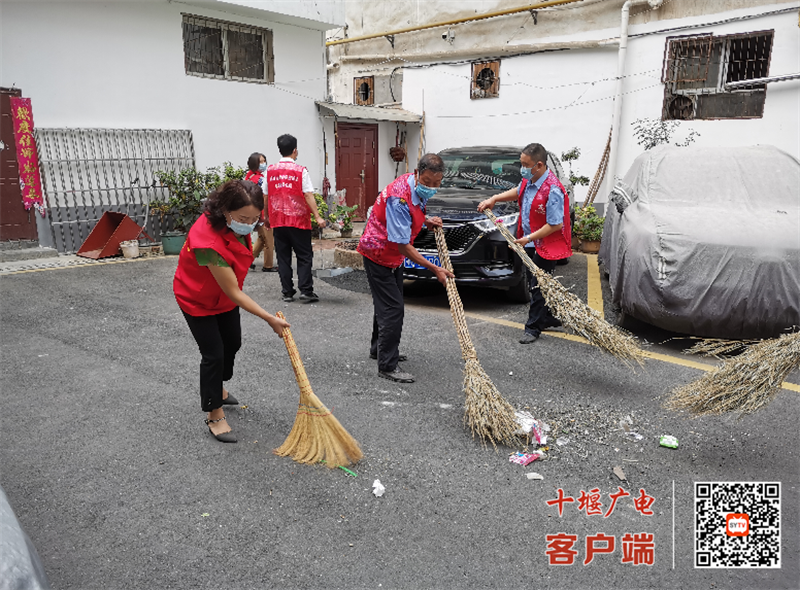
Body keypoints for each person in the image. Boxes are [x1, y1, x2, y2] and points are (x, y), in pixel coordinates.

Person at [173, 179, 290, 443]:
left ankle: (219, 387)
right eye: (243, 218)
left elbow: (230, 290)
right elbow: (233, 292)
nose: (249, 224)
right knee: (213, 354)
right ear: (225, 211)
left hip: (223, 298)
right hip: (196, 299)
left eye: (254, 218)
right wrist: (268, 318)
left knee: (233, 343)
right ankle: (214, 412)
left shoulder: (239, 225)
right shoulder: (206, 242)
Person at [358, 153, 455, 383]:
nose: (431, 187)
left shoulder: (414, 188)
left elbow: (414, 213)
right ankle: (387, 365)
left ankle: (378, 349)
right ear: (417, 174)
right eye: (427, 182)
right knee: (393, 308)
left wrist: (426, 219)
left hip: (392, 255)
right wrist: (435, 268)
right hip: (378, 253)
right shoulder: (398, 198)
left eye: (437, 184)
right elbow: (402, 245)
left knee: (386, 305)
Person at [477, 143, 571, 344]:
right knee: (536, 281)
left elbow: (555, 224)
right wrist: (494, 198)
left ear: (538, 165)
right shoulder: (530, 179)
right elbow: (517, 191)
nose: (522, 168)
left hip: (545, 245)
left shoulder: (552, 189)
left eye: (525, 165)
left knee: (537, 284)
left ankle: (533, 327)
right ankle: (546, 317)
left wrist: (528, 239)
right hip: (529, 241)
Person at [267, 134, 326, 303]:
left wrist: (267, 217)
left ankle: (287, 292)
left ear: (280, 150)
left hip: (278, 220)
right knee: (304, 256)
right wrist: (318, 216)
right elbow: (308, 194)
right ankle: (306, 291)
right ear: (295, 151)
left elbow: (265, 195)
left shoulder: (270, 171)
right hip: (298, 221)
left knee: (283, 257)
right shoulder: (301, 171)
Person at [244, 152, 277, 272]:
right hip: (262, 213)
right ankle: (268, 265)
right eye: (261, 162)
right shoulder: (260, 180)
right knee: (269, 240)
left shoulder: (249, 177)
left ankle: (246, 261)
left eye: (264, 161)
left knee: (262, 239)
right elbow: (266, 196)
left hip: (254, 213)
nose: (264, 164)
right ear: (255, 164)